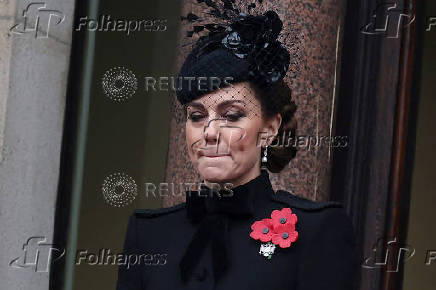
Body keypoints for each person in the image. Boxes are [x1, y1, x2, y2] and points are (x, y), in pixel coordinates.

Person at [116, 10, 358, 290]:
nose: (209, 132)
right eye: (196, 116)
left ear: (269, 128)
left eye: (231, 116)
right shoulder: (149, 234)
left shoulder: (316, 231)